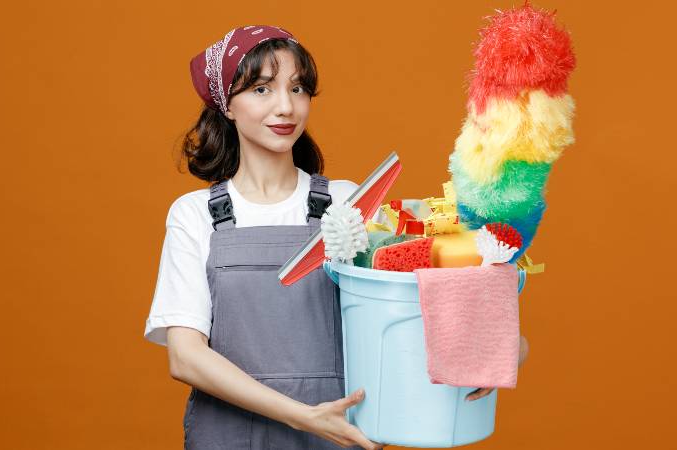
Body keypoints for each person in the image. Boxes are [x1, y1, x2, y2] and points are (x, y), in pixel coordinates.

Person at [144, 25, 528, 449]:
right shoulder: (195, 215)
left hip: (338, 436)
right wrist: (305, 417)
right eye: (261, 90)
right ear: (227, 106)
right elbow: (185, 356)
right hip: (230, 437)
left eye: (298, 88)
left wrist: (499, 351)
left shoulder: (348, 206)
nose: (285, 107)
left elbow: (414, 310)